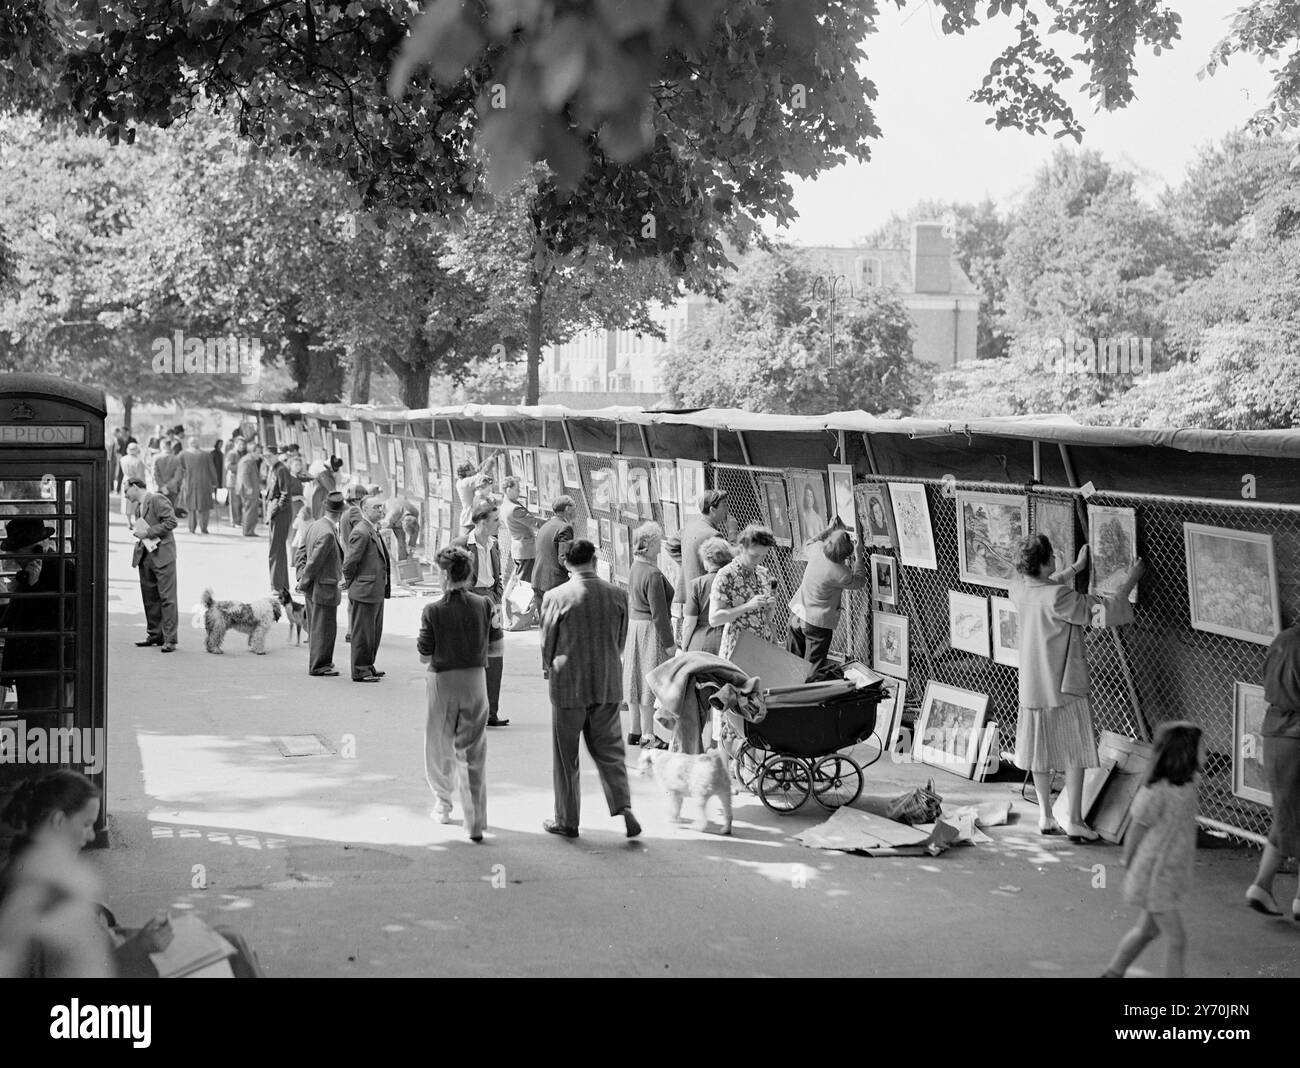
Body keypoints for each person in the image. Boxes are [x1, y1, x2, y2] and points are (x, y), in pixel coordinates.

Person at [1010, 535, 1145, 840]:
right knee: (1075, 752)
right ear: (1045, 563)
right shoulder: (1060, 597)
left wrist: (1074, 568)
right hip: (1063, 685)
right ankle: (1074, 820)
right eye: (1053, 558)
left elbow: (1044, 585)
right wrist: (1131, 580)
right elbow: (1101, 610)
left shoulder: (1019, 589)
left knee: (1039, 753)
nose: (1056, 561)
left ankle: (1045, 816)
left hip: (1032, 687)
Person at [539, 539, 641, 840]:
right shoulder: (617, 594)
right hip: (607, 681)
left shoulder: (556, 595)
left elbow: (548, 641)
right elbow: (620, 641)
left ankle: (567, 820)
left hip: (569, 683)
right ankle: (623, 805)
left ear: (567, 563)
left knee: (565, 755)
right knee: (610, 750)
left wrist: (548, 666)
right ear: (594, 560)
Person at [1103, 722, 1202, 978]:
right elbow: (1137, 827)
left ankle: (1113, 972)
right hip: (1155, 874)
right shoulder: (1157, 791)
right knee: (1177, 939)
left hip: (1168, 872)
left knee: (1146, 931)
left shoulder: (1188, 784)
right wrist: (1128, 858)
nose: (1207, 752)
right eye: (1202, 747)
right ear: (1185, 753)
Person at [417, 546, 500, 841]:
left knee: (438, 746)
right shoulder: (485, 604)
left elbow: (425, 656)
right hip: (476, 681)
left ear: (443, 574)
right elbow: (497, 647)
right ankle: (475, 819)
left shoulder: (432, 611)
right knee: (473, 751)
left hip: (443, 682)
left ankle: (443, 805)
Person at [1245, 622, 1300, 919]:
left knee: (1288, 815)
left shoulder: (1283, 639)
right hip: (1296, 737)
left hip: (1275, 733)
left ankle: (1263, 886)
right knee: (1291, 816)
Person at [0, 518, 74, 711]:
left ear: (35, 549)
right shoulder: (31, 572)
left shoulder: (62, 570)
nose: (14, 559)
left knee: (43, 725)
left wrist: (34, 587)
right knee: (32, 723)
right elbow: (12, 617)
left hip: (49, 665)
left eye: (17, 553)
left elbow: (62, 619)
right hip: (31, 666)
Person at [452, 502, 509, 727]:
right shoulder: (461, 544)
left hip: (491, 603)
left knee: (495, 659)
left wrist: (497, 595)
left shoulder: (494, 544)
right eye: (496, 520)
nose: (500, 524)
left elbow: (499, 575)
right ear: (482, 521)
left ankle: (490, 712)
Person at [787, 521, 868, 678]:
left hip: (797, 613)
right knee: (812, 669)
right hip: (816, 623)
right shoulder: (841, 572)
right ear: (846, 554)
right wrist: (859, 557)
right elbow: (860, 581)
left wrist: (828, 530)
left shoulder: (817, 550)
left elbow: (809, 542)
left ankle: (785, 692)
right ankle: (806, 697)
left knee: (791, 661)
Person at [623, 522, 675, 748]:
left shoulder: (636, 567)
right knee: (649, 680)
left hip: (635, 627)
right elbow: (659, 614)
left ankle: (635, 731)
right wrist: (669, 643)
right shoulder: (653, 573)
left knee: (635, 678)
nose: (661, 546)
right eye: (658, 541)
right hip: (650, 630)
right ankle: (648, 735)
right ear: (651, 543)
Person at [667, 490, 730, 645]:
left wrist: (688, 564)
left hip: (689, 590)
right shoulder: (714, 535)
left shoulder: (690, 526)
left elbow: (670, 546)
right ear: (712, 509)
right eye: (724, 505)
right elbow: (729, 563)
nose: (727, 509)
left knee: (688, 627)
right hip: (706, 595)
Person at [123, 477, 179, 652]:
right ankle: (155, 634)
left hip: (162, 556)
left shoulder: (156, 499)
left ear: (134, 486)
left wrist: (146, 532)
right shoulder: (139, 506)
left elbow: (171, 522)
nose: (125, 496)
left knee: (167, 599)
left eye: (126, 491)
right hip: (146, 556)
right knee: (150, 598)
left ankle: (170, 639)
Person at [341, 495, 391, 683]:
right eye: (376, 507)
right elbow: (349, 563)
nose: (380, 510)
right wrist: (352, 583)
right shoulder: (361, 532)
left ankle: (368, 665)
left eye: (381, 506)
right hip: (364, 590)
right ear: (365, 510)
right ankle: (360, 669)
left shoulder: (372, 529)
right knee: (363, 633)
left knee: (373, 632)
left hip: (375, 590)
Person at [710, 524, 777, 662]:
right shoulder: (726, 575)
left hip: (764, 648)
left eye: (763, 556)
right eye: (754, 556)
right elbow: (714, 619)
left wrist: (770, 608)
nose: (758, 561)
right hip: (738, 651)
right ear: (741, 549)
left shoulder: (763, 573)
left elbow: (767, 618)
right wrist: (748, 606)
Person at [299, 491, 345, 677]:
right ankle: (318, 665)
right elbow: (314, 562)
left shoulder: (315, 525)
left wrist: (301, 577)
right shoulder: (327, 533)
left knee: (319, 626)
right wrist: (304, 581)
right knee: (323, 628)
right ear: (340, 513)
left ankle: (323, 661)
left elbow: (300, 554)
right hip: (323, 586)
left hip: (314, 586)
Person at [500, 476, 546, 629]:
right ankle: (518, 618)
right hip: (525, 549)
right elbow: (533, 522)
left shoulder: (505, 505)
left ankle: (521, 616)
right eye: (516, 488)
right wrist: (553, 523)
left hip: (520, 547)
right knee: (525, 584)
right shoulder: (515, 509)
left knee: (522, 582)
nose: (519, 491)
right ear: (508, 489)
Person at [681, 536, 733, 655]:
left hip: (701, 643)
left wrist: (684, 646)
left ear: (708, 560)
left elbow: (689, 622)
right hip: (729, 640)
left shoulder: (697, 584)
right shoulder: (736, 581)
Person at [530, 495, 575, 620]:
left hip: (538, 581)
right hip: (554, 583)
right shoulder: (565, 527)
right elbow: (564, 558)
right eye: (574, 507)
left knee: (546, 628)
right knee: (559, 628)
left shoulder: (545, 525)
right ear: (567, 509)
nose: (575, 511)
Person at [265, 448, 295, 596]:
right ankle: (281, 585)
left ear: (276, 456)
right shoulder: (274, 469)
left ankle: (277, 586)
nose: (267, 459)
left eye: (269, 456)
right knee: (277, 549)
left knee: (275, 550)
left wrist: (277, 508)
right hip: (274, 511)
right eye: (265, 456)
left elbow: (285, 493)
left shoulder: (281, 470)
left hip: (280, 513)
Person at [180, 436, 215, 535]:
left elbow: (179, 467)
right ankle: (204, 528)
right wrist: (214, 482)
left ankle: (192, 528)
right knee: (204, 507)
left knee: (191, 507)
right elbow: (211, 469)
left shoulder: (183, 454)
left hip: (190, 482)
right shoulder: (206, 455)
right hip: (204, 483)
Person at [456, 454, 497, 532]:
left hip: (471, 520)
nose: (474, 469)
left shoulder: (461, 481)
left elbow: (478, 469)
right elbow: (482, 474)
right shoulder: (466, 482)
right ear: (467, 472)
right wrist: (491, 460)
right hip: (469, 521)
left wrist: (489, 457)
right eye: (471, 468)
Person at [236, 443, 263, 537]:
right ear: (252, 451)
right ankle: (248, 531)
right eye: (258, 452)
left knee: (250, 509)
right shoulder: (248, 460)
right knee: (250, 510)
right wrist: (249, 487)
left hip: (250, 489)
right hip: (249, 490)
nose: (260, 455)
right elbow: (245, 475)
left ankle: (249, 530)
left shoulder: (248, 459)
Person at [117, 442, 147, 526]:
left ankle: (128, 521)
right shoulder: (139, 461)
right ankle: (137, 521)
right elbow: (141, 474)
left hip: (126, 480)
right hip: (135, 481)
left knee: (127, 502)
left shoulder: (123, 459)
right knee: (136, 502)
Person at [153, 441, 185, 513]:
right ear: (170, 446)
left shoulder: (156, 457)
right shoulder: (176, 458)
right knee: (170, 510)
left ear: (162, 446)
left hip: (159, 488)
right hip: (172, 488)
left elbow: (154, 474)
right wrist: (168, 485)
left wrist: (162, 486)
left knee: (158, 511)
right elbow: (178, 476)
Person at [224, 438, 246, 526]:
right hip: (233, 481)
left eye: (243, 445)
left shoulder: (242, 453)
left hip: (240, 481)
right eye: (240, 444)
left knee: (240, 503)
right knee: (235, 503)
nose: (242, 446)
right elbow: (228, 466)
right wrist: (241, 466)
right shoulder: (231, 454)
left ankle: (239, 520)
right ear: (235, 444)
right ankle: (235, 521)